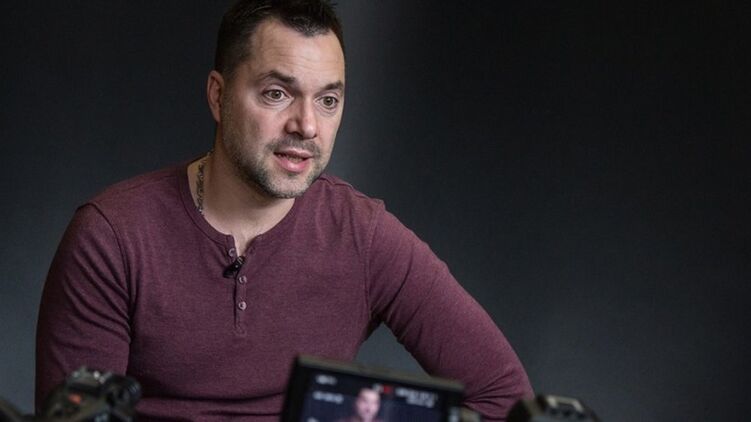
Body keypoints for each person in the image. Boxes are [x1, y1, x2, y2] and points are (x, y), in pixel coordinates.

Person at [35, 1, 533, 420]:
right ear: (218, 95)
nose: (307, 125)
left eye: (328, 100)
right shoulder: (113, 236)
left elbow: (505, 400)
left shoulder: (363, 235)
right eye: (277, 94)